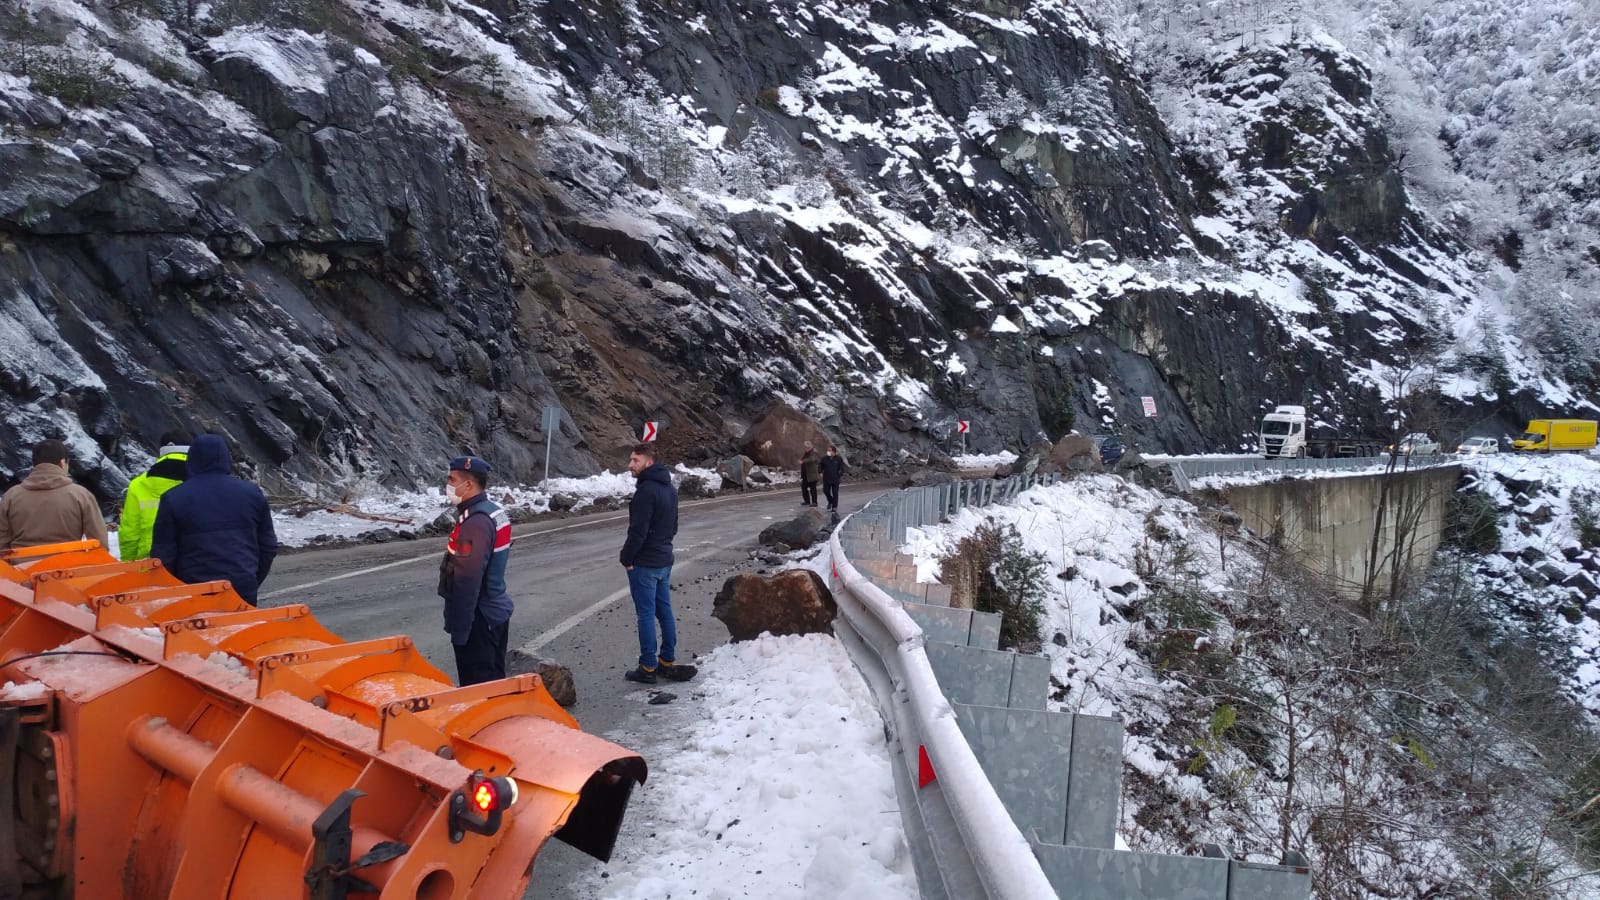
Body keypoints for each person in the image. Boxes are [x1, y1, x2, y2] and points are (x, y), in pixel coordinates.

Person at [150, 434, 277, 605]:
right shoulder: (252, 493)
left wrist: (176, 590)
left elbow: (163, 555)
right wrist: (251, 578)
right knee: (241, 630)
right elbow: (268, 546)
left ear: (192, 459)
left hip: (193, 589)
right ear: (226, 459)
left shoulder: (173, 498)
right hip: (241, 585)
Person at [620, 443, 696, 685]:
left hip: (645, 563)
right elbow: (673, 526)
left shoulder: (645, 492)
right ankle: (667, 660)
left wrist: (627, 558)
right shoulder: (670, 489)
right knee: (664, 611)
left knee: (645, 614)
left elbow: (638, 531)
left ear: (648, 463)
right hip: (664, 559)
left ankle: (647, 667)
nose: (630, 465)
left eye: (635, 460)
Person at [437, 455, 515, 686]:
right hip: (493, 613)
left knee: (479, 689)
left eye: (452, 480)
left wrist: (461, 630)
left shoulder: (475, 523)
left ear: (468, 484)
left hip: (479, 619)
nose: (448, 486)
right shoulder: (491, 511)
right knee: (493, 684)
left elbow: (467, 579)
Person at [0, 439, 108, 551]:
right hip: (70, 565)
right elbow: (99, 543)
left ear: (35, 464)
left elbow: (2, 542)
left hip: (20, 567)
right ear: (62, 463)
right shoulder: (81, 495)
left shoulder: (11, 496)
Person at [119, 429, 191, 561]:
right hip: (192, 564)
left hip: (150, 566)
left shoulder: (138, 485)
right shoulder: (201, 482)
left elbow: (129, 534)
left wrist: (128, 565)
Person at [820, 445, 846, 512]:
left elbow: (841, 468)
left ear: (834, 452)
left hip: (835, 479)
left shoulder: (839, 459)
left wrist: (839, 474)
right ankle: (830, 501)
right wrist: (820, 472)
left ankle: (834, 507)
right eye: (828, 450)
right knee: (826, 491)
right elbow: (820, 465)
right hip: (826, 478)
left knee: (835, 493)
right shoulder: (824, 458)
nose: (828, 452)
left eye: (829, 450)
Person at [798, 440, 821, 507]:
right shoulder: (806, 453)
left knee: (812, 488)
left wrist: (803, 461)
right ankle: (807, 501)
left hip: (812, 474)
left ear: (810, 447)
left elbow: (812, 459)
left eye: (806, 447)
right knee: (804, 487)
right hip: (806, 474)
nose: (805, 448)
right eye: (805, 447)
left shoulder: (813, 452)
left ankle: (814, 502)